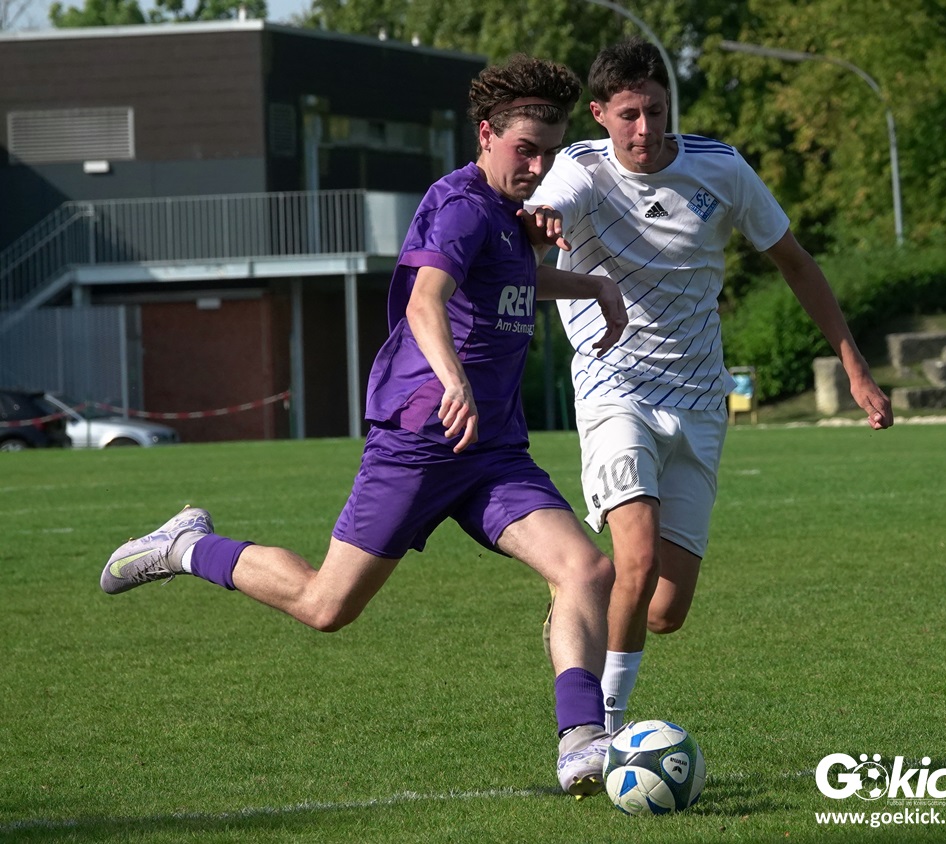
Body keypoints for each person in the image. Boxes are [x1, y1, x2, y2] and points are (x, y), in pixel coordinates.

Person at [100, 54, 629, 799]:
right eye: (526, 150)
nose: (538, 167)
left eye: (549, 152)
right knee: (325, 606)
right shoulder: (461, 206)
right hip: (419, 439)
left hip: (493, 452)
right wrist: (454, 380)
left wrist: (591, 285)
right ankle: (185, 546)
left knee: (586, 570)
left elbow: (510, 279)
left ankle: (581, 739)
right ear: (486, 134)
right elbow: (424, 300)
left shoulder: (508, 216)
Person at [524, 37, 893, 733]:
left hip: (699, 399)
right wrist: (543, 220)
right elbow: (548, 211)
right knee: (634, 560)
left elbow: (796, 262)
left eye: (656, 111)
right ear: (599, 114)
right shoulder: (581, 168)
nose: (644, 128)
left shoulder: (720, 169)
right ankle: (601, 731)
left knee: (665, 610)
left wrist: (856, 367)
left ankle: (580, 602)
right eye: (628, 114)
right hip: (614, 386)